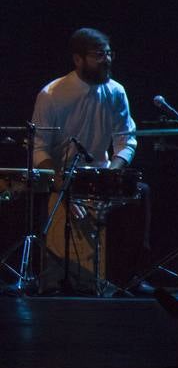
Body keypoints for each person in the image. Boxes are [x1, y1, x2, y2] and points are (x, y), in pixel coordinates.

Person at [31, 27, 145, 293]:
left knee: (142, 195)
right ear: (78, 59)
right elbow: (39, 149)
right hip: (61, 177)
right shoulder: (52, 94)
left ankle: (130, 277)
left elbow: (126, 140)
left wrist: (112, 175)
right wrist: (60, 182)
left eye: (108, 54)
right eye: (98, 55)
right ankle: (58, 278)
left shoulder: (116, 92)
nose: (106, 60)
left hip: (100, 175)